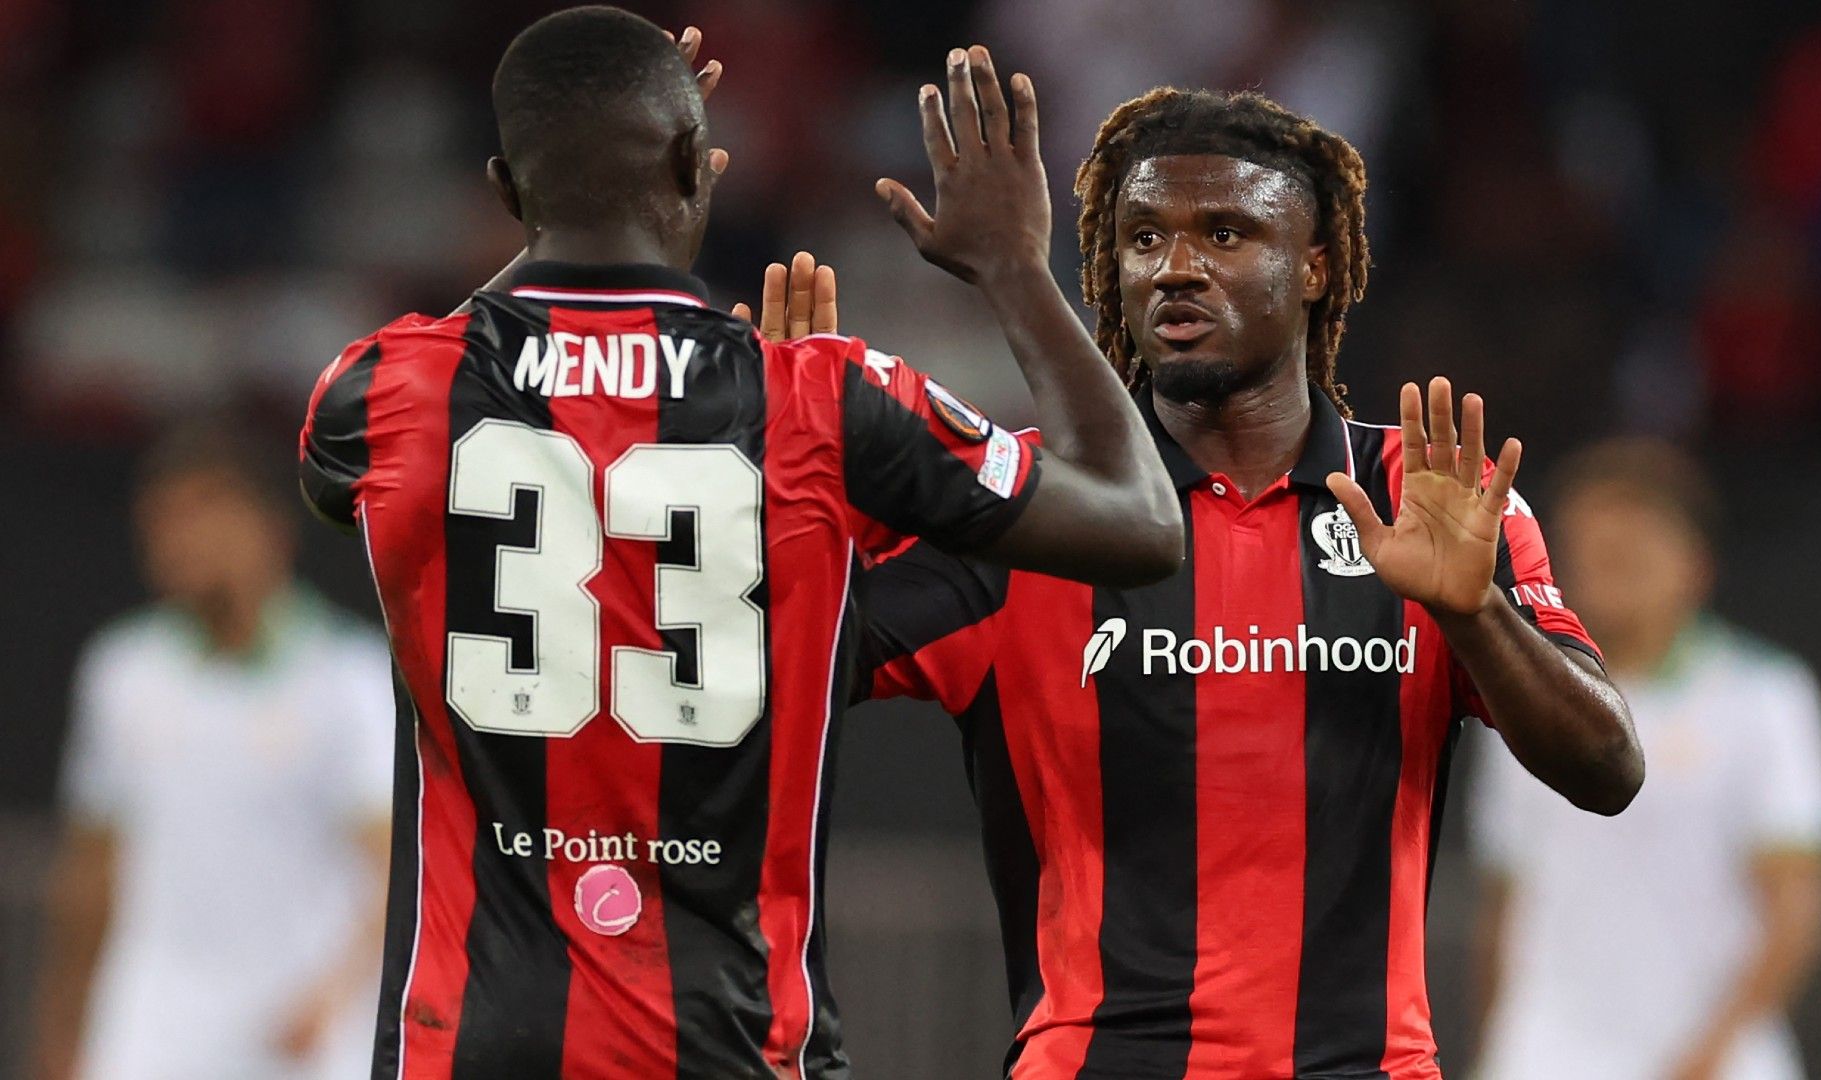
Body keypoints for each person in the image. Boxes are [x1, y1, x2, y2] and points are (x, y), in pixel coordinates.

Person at [297, 10, 1180, 1079]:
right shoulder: (821, 397)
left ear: (503, 188)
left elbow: (368, 439)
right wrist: (1014, 270)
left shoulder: (387, 389)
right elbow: (1140, 522)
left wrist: (548, 212)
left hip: (469, 1044)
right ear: (691, 162)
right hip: (738, 1046)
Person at [851, 87, 1644, 1078]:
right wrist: (797, 488)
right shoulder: (1024, 506)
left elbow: (1608, 770)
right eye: (1142, 237)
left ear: (1315, 267)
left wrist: (1472, 607)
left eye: (1224, 233)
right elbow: (780, 661)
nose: (1174, 266)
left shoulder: (1421, 494)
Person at [1469, 439, 1821, 1080]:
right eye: (1592, 553)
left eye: (1632, 554)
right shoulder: (1514, 699)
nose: (1608, 571)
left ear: (1694, 566)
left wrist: (1710, 1054)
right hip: (1547, 1056)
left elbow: (1796, 908)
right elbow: (1506, 902)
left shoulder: (1765, 697)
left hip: (1716, 1060)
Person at [34, 426, 393, 1080]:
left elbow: (394, 869)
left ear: (270, 527)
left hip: (300, 1035)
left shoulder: (349, 677)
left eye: (203, 511)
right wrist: (61, 1025)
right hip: (150, 1033)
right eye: (163, 521)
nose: (179, 540)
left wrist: (336, 992)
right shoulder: (123, 672)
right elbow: (91, 868)